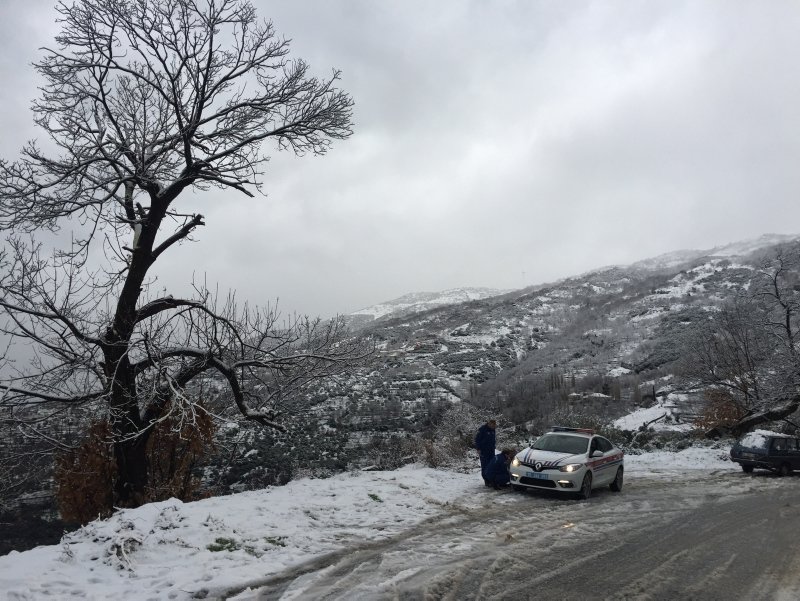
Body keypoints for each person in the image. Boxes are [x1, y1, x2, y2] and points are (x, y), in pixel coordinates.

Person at [474, 419, 497, 485]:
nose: (494, 427)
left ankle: (490, 479)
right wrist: (478, 449)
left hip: (491, 450)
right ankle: (486, 480)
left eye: (494, 426)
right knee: (485, 465)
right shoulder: (482, 429)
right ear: (489, 424)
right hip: (484, 451)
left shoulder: (493, 430)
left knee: (491, 465)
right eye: (493, 425)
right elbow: (477, 439)